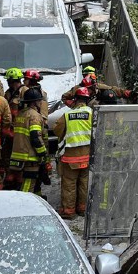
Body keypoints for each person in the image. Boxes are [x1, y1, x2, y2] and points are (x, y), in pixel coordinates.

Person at [53, 85, 93, 219]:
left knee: (69, 183)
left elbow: (57, 130)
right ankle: (83, 208)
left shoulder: (68, 115)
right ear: (87, 100)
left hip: (70, 157)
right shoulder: (93, 113)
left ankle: (69, 211)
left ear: (75, 99)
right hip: (87, 156)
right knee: (84, 182)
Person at [9, 87, 51, 195]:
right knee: (28, 185)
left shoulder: (21, 114)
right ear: (35, 102)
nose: (41, 102)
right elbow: (36, 137)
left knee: (36, 183)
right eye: (40, 100)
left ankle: (39, 202)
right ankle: (25, 205)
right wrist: (43, 154)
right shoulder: (35, 116)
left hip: (19, 155)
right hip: (30, 156)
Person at [1, 67, 27, 187]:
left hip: (21, 129)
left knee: (19, 154)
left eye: (9, 81)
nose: (8, 83)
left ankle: (20, 176)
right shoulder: (8, 93)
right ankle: (10, 174)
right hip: (10, 129)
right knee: (7, 153)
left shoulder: (24, 91)